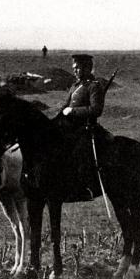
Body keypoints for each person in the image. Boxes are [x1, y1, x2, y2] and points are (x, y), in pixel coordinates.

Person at [58, 53, 112, 201]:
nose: (75, 71)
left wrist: (73, 111)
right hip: (70, 127)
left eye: (78, 68)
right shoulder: (75, 86)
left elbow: (96, 110)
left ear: (88, 68)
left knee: (80, 152)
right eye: (74, 68)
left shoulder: (94, 86)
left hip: (86, 129)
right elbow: (65, 106)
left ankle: (86, 188)